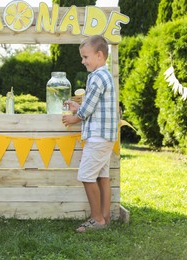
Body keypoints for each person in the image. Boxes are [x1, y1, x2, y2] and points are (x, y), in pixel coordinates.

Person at [62, 35, 118, 233]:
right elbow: (94, 104)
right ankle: (105, 216)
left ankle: (97, 219)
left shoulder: (97, 77)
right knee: (102, 176)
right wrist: (79, 106)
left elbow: (88, 109)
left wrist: (74, 117)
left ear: (100, 55)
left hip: (97, 137)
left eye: (86, 57)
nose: (83, 61)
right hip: (106, 137)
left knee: (86, 176)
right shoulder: (105, 75)